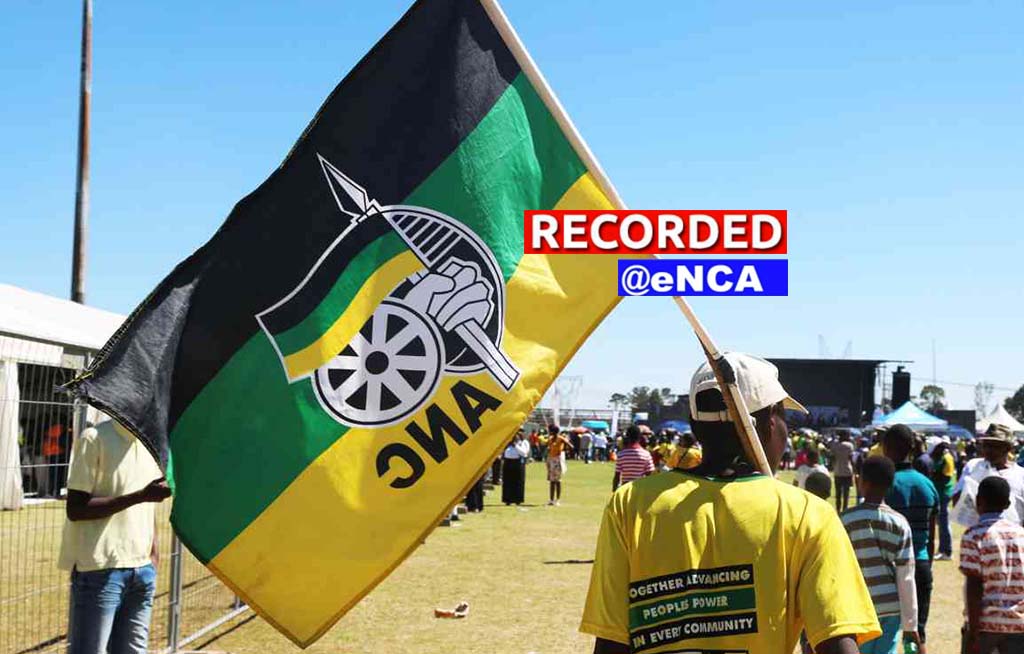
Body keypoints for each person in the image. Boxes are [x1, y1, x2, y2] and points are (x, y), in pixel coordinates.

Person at [580, 353, 880, 654]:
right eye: (784, 418)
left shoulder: (631, 503)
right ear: (771, 422)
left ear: (694, 425)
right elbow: (837, 644)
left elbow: (610, 644)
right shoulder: (808, 514)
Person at [59, 419, 172, 654]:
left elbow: (148, 507)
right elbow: (76, 509)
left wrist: (153, 554)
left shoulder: (151, 443)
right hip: (100, 570)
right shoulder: (93, 439)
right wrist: (139, 496)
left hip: (142, 569)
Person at [841, 456, 920, 654]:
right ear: (890, 485)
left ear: (862, 481)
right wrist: (911, 625)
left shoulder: (845, 520)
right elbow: (906, 577)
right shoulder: (900, 523)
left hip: (855, 607)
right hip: (889, 609)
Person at [882, 424, 939, 653]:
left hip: (889, 568)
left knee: (882, 637)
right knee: (916, 635)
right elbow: (932, 536)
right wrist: (926, 566)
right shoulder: (928, 485)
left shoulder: (884, 485)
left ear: (886, 448)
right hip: (921, 563)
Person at [959, 476, 1024, 653]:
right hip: (1019, 624)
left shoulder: (974, 535)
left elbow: (974, 585)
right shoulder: (1021, 534)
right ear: (1008, 504)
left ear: (978, 501)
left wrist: (973, 632)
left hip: (985, 625)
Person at [954, 424, 1024, 527]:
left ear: (1007, 448)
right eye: (986, 445)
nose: (988, 450)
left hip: (1012, 534)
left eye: (994, 446)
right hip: (979, 533)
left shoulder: (1020, 475)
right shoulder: (973, 466)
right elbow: (957, 499)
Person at [929, 440, 956, 560]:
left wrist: (933, 474)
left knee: (944, 522)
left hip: (943, 493)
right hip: (938, 493)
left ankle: (947, 551)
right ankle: (942, 549)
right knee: (940, 523)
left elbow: (946, 476)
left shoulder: (947, 457)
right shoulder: (940, 457)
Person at [612, 426, 655, 491]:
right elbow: (650, 475)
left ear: (627, 437)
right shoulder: (646, 454)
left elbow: (617, 476)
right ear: (639, 437)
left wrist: (614, 490)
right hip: (640, 488)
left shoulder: (621, 454)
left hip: (625, 488)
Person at [546, 424, 573, 506]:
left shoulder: (560, 438)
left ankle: (557, 500)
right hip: (551, 459)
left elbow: (571, 446)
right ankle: (551, 500)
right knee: (551, 481)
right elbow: (548, 447)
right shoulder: (550, 439)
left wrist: (564, 450)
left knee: (557, 481)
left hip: (558, 460)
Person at [501, 431, 530, 505]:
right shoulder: (508, 443)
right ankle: (508, 499)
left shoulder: (523, 442)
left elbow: (524, 453)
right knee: (507, 482)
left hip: (518, 463)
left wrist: (516, 445)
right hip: (508, 462)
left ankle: (517, 499)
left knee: (518, 482)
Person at [831, 432, 856, 512]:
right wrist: (855, 469)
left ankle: (838, 509)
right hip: (847, 471)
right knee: (846, 493)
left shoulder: (835, 445)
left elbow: (832, 458)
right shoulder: (849, 445)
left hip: (837, 471)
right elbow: (851, 458)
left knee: (838, 493)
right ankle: (845, 509)